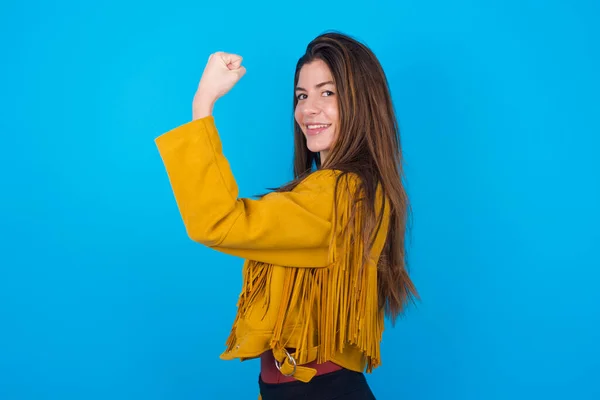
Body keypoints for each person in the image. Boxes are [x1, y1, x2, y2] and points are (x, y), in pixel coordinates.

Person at [155, 32, 419, 400]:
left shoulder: (340, 194)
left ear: (362, 102)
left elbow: (218, 222)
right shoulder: (338, 190)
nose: (308, 109)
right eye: (302, 95)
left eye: (328, 92)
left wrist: (204, 103)